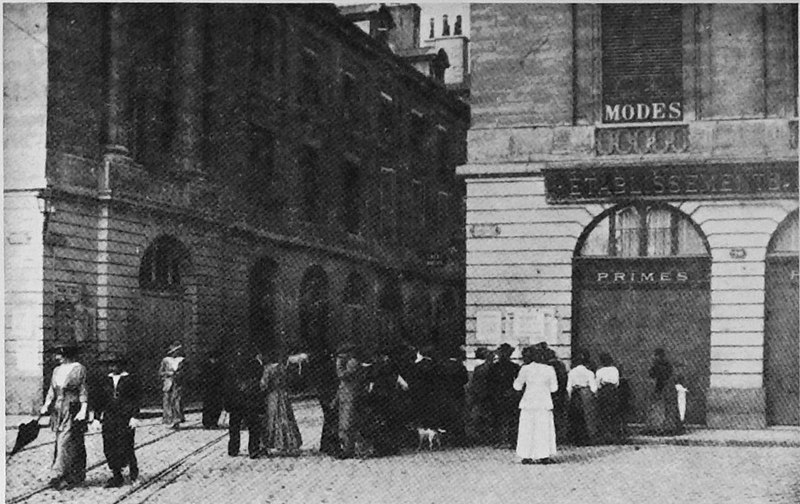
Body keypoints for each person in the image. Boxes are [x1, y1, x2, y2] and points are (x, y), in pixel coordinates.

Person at [40, 344, 89, 490]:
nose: (56, 357)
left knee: (65, 440)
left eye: (59, 354)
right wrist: (46, 404)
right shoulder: (56, 370)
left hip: (72, 407)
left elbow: (83, 389)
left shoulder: (79, 368)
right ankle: (74, 474)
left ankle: (58, 474)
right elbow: (51, 389)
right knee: (69, 441)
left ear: (66, 354)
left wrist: (84, 408)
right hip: (58, 409)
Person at [94, 355, 141, 487]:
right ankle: (116, 475)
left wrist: (134, 416)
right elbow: (99, 400)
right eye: (110, 365)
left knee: (126, 445)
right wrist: (97, 418)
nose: (112, 367)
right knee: (109, 445)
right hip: (109, 417)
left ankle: (133, 474)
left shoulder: (130, 379)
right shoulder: (105, 380)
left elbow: (136, 399)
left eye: (115, 364)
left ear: (122, 365)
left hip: (125, 417)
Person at [514, 346, 559, 464]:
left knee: (527, 429)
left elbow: (517, 386)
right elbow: (554, 388)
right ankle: (543, 455)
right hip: (544, 402)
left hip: (528, 402)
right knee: (543, 429)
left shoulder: (525, 369)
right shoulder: (549, 369)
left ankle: (526, 455)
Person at [260, 349, 303, 456]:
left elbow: (264, 384)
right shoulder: (282, 367)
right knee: (286, 418)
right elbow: (288, 380)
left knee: (272, 419)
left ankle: (271, 442)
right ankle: (288, 443)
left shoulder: (268, 369)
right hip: (283, 395)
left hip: (272, 396)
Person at [224, 346, 265, 458]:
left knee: (234, 427)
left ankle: (233, 449)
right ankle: (253, 450)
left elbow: (228, 387)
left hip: (236, 402)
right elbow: (259, 384)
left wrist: (227, 404)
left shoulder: (233, 367)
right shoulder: (256, 366)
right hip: (250, 400)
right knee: (253, 427)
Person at [307, 350, 340, 456]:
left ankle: (325, 444)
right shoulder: (327, 368)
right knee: (331, 418)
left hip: (323, 393)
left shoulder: (319, 368)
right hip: (328, 394)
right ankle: (330, 445)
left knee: (328, 419)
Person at [487, 343, 520, 447]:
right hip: (505, 395)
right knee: (508, 419)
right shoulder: (514, 367)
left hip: (500, 395)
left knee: (499, 419)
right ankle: (509, 441)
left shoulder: (494, 367)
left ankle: (499, 441)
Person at [436, 346, 469, 446]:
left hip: (446, 394)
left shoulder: (442, 365)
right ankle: (459, 439)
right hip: (458, 393)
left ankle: (446, 439)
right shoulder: (460, 366)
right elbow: (465, 380)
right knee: (458, 416)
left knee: (447, 416)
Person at [335, 342, 363, 459]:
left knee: (347, 423)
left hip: (349, 395)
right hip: (345, 395)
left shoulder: (352, 362)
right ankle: (346, 448)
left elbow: (342, 375)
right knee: (345, 422)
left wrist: (339, 365)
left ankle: (348, 449)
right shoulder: (350, 361)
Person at [645, 348, 683, 435]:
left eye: (655, 355)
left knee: (658, 408)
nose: (654, 357)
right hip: (668, 388)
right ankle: (670, 427)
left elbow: (652, 374)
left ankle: (658, 427)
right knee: (669, 408)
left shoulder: (657, 365)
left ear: (658, 356)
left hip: (661, 388)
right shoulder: (668, 365)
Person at [566, 351, 598, 445]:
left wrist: (569, 396)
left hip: (576, 394)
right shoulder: (589, 373)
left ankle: (574, 438)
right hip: (585, 394)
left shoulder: (572, 372)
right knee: (587, 416)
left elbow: (569, 387)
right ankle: (586, 437)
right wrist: (594, 394)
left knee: (575, 415)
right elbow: (593, 387)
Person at [465, 348, 493, 444]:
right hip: (484, 395)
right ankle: (484, 437)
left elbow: (473, 383)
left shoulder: (478, 367)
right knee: (483, 417)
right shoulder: (485, 367)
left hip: (480, 395)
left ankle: (477, 438)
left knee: (477, 417)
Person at [542, 346, 569, 445]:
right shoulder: (561, 365)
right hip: (560, 393)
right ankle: (560, 437)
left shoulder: (548, 367)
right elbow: (564, 378)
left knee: (550, 417)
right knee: (559, 416)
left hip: (549, 394)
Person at [595, 352, 622, 444]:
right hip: (613, 392)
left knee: (603, 414)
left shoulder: (600, 371)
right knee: (613, 413)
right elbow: (617, 382)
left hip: (603, 392)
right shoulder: (615, 370)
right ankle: (614, 435)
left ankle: (604, 435)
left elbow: (597, 384)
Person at [159, 342, 185, 429]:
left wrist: (179, 374)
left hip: (178, 383)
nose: (176, 353)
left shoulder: (182, 360)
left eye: (177, 351)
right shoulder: (165, 360)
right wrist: (168, 373)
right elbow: (160, 372)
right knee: (168, 402)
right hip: (168, 383)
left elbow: (185, 372)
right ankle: (170, 420)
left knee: (177, 401)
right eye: (175, 351)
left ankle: (177, 420)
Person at [200, 350, 224, 429]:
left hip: (215, 389)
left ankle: (212, 422)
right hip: (209, 389)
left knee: (215, 406)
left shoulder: (219, 366)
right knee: (209, 406)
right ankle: (208, 422)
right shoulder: (206, 366)